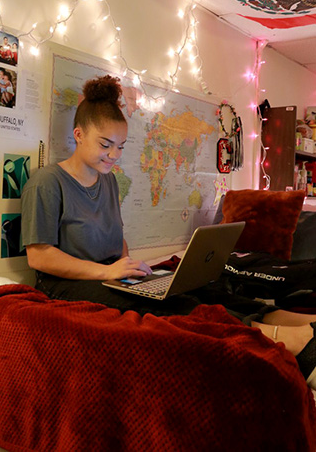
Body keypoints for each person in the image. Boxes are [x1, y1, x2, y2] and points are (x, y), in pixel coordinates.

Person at [21, 74, 316, 389]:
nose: (114, 155)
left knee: (199, 289)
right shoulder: (47, 182)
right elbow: (40, 258)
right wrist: (106, 272)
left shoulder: (106, 180)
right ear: (78, 135)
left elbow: (116, 237)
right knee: (174, 307)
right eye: (105, 145)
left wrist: (131, 268)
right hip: (64, 285)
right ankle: (283, 341)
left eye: (120, 146)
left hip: (109, 273)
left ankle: (292, 322)